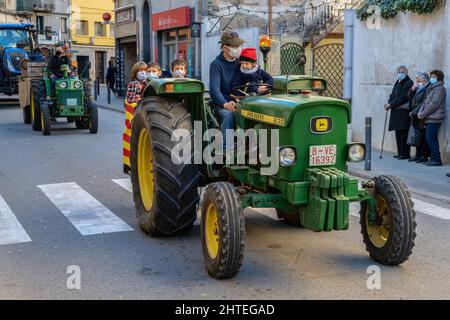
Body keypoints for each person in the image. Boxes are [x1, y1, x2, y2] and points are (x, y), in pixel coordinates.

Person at [210, 30, 245, 151]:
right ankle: (225, 150)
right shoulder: (216, 65)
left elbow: (252, 76)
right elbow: (214, 90)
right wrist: (224, 103)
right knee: (229, 115)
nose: (239, 48)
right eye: (235, 46)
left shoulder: (241, 63)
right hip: (222, 104)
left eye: (240, 45)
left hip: (241, 101)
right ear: (225, 48)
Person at [418, 70, 446, 166]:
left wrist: (423, 114)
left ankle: (437, 159)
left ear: (439, 78)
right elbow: (425, 102)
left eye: (434, 76)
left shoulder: (440, 89)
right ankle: (433, 158)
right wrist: (420, 112)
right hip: (429, 117)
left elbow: (434, 104)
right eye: (431, 76)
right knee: (430, 138)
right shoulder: (432, 88)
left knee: (430, 137)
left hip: (435, 117)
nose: (432, 78)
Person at [385, 65, 414, 160]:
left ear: (406, 72)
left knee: (403, 132)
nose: (400, 74)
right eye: (399, 72)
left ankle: (405, 154)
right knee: (398, 132)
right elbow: (392, 94)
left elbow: (403, 97)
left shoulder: (409, 82)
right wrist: (389, 103)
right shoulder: (398, 81)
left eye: (402, 72)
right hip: (396, 110)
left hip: (403, 111)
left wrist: (391, 104)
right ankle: (400, 152)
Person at [408, 72, 431, 163]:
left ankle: (423, 155)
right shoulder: (419, 88)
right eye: (417, 79)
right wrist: (412, 90)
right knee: (417, 136)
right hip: (415, 116)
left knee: (422, 137)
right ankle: (417, 155)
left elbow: (423, 103)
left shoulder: (427, 88)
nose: (417, 81)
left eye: (419, 79)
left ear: (425, 80)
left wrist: (414, 112)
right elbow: (409, 97)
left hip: (421, 115)